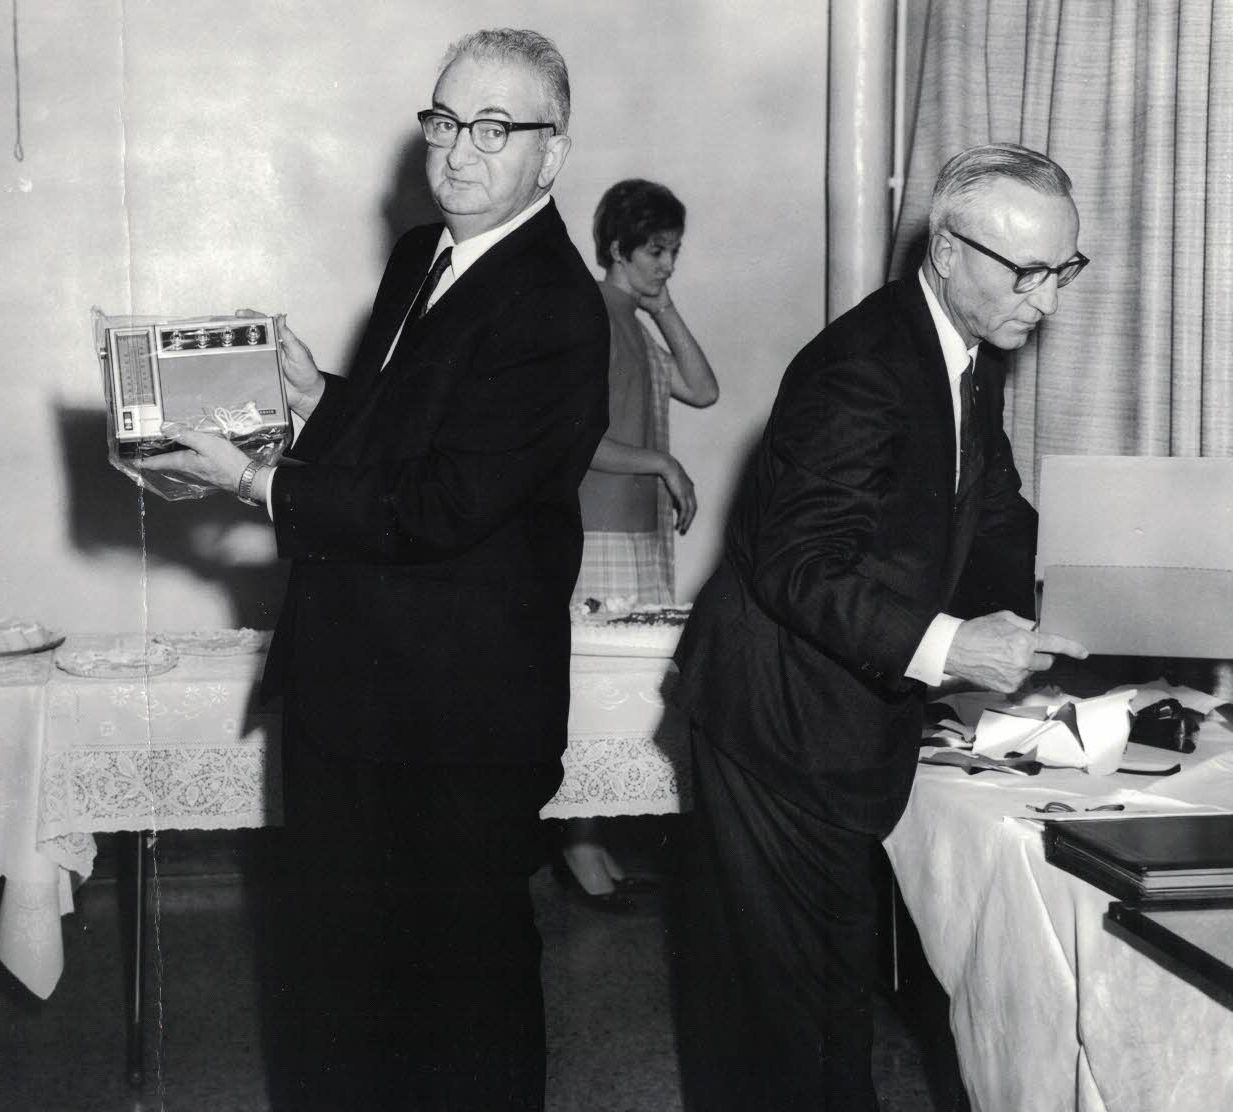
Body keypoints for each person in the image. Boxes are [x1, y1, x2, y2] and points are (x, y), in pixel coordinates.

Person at [145, 28, 608, 1110]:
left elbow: (445, 503)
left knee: (460, 1007)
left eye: (495, 128)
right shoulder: (425, 254)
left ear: (554, 155)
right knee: (345, 986)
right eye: (444, 120)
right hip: (359, 697)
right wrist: (324, 401)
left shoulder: (553, 305)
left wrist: (257, 485)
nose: (458, 150)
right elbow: (428, 441)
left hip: (457, 724)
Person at [671, 143, 1091, 1110]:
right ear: (945, 250)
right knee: (793, 1020)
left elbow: (991, 521)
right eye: (1026, 272)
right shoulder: (860, 366)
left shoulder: (962, 351)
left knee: (820, 999)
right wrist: (952, 647)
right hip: (774, 717)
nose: (1049, 301)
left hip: (836, 716)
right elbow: (797, 566)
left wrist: (1096, 599)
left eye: (1062, 269)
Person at [558, 179, 718, 905]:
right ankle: (579, 845)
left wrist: (664, 306)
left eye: (674, 252)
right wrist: (663, 462)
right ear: (618, 246)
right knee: (594, 694)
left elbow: (702, 388)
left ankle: (591, 838)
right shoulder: (589, 313)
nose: (668, 264)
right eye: (657, 250)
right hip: (598, 528)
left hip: (639, 530)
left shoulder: (636, 317)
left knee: (620, 690)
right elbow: (572, 437)